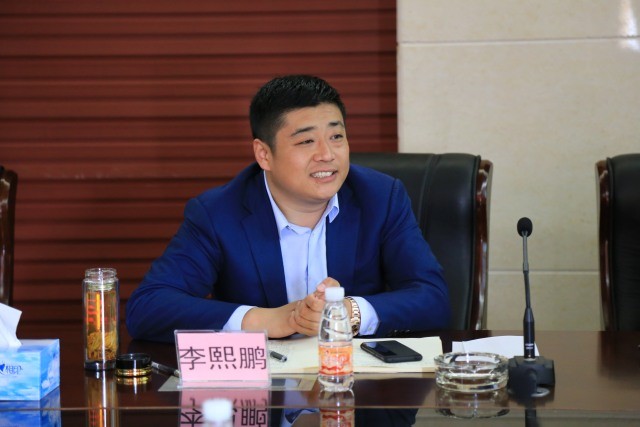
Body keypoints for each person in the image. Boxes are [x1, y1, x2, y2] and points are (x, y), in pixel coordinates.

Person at [125, 74, 450, 343]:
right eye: (306, 141)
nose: (327, 154)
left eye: (337, 136)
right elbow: (148, 308)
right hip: (264, 393)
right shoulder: (218, 213)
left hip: (356, 387)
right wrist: (270, 320)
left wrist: (347, 312)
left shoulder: (381, 198)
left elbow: (432, 297)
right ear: (264, 155)